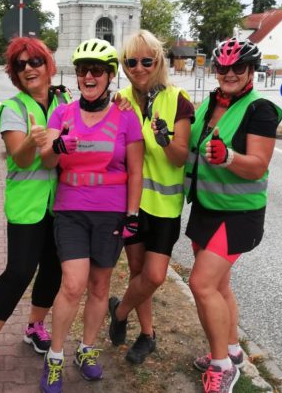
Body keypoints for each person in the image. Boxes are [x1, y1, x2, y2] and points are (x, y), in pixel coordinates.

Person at [38, 38, 143, 393]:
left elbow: (136, 170)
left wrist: (132, 213)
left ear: (110, 75)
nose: (88, 76)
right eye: (83, 70)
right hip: (71, 210)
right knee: (72, 284)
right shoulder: (62, 113)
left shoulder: (126, 115)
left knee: (100, 286)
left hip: (110, 213)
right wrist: (56, 146)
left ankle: (86, 350)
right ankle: (54, 357)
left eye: (97, 70)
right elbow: (47, 160)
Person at [0, 37, 70, 384]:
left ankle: (35, 326)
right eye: (20, 65)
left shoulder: (65, 100)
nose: (28, 69)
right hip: (27, 205)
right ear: (14, 73)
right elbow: (20, 159)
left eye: (35, 61)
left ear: (48, 64)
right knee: (19, 272)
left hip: (63, 204)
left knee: (53, 271)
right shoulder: (13, 108)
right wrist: (31, 140)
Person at [184, 38, 282, 393]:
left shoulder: (260, 110)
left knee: (201, 284)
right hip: (206, 207)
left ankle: (222, 366)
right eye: (222, 68)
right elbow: (193, 146)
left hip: (239, 213)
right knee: (220, 286)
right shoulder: (212, 102)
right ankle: (232, 351)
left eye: (237, 68)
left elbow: (258, 165)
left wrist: (228, 157)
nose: (229, 74)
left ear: (251, 71)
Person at [107, 30, 194, 364]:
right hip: (130, 203)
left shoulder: (177, 99)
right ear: (124, 65)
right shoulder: (121, 100)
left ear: (158, 61)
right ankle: (147, 335)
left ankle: (119, 312)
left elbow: (180, 158)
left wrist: (164, 140)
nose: (139, 68)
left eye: (147, 60)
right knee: (137, 270)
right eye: (131, 62)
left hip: (164, 207)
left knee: (154, 276)